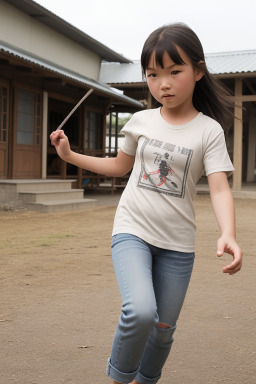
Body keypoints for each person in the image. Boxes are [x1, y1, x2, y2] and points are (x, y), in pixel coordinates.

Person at [50, 23, 242, 384]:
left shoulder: (209, 131)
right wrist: (69, 154)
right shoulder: (140, 121)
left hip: (177, 246)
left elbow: (218, 188)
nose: (163, 84)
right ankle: (120, 378)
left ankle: (145, 381)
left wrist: (228, 233)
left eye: (174, 72)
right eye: (153, 74)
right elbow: (120, 166)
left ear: (198, 71)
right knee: (140, 312)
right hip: (132, 231)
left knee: (164, 328)